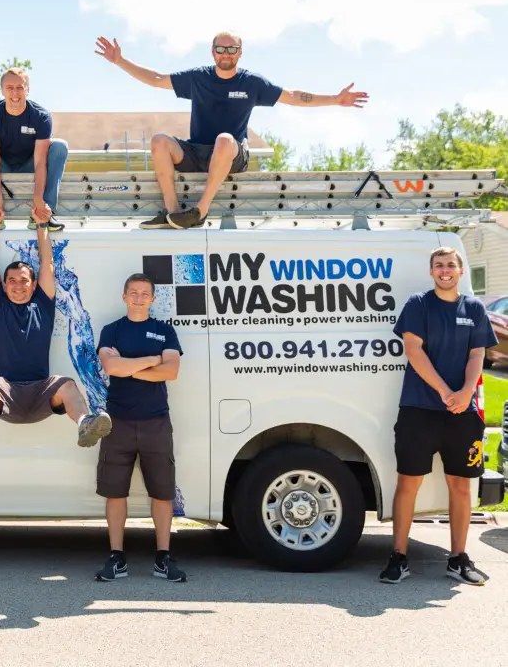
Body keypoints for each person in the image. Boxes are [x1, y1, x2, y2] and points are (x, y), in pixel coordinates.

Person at [94, 32, 369, 229]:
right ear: (213, 52)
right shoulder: (199, 77)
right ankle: (173, 214)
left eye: (231, 49)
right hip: (198, 151)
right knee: (159, 141)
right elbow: (156, 79)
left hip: (232, 154)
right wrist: (120, 61)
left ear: (240, 52)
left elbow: (295, 96)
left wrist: (335, 99)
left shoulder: (252, 82)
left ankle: (200, 211)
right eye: (221, 49)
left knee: (224, 139)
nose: (226, 54)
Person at [0, 204, 111, 449]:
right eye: (11, 281)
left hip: (41, 393)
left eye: (24, 281)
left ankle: (85, 424)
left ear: (33, 285)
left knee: (67, 384)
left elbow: (48, 263)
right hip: (5, 392)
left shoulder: (44, 304)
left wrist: (42, 225)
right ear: (3, 285)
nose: (17, 285)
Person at [380, 246, 496, 586]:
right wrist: (447, 392)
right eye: (438, 265)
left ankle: (458, 559)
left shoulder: (474, 308)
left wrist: (463, 394)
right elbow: (413, 350)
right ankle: (398, 557)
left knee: (460, 486)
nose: (445, 270)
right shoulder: (418, 304)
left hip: (462, 412)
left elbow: (477, 355)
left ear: (460, 271)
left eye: (450, 265)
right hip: (419, 409)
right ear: (431, 272)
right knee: (408, 483)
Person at [94, 274, 185, 582]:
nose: (138, 297)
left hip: (156, 421)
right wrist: (150, 361)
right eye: (133, 292)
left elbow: (171, 371)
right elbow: (111, 367)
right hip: (116, 422)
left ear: (152, 299)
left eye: (144, 293)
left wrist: (129, 367)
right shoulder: (112, 330)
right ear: (124, 296)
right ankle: (116, 558)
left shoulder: (164, 330)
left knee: (162, 492)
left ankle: (163, 558)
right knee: (115, 492)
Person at [0, 67, 69, 233]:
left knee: (59, 146)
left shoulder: (41, 117)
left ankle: (44, 214)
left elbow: (41, 162)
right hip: (1, 163)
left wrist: (38, 199)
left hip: (31, 163)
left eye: (20, 87)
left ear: (28, 89)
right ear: (2, 90)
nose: (15, 93)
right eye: (10, 88)